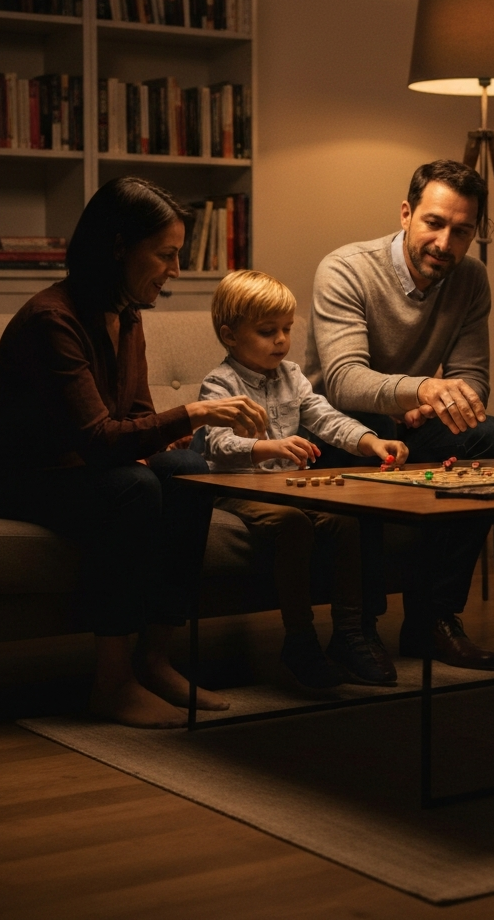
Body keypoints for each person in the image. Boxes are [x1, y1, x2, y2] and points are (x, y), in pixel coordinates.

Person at [0, 177, 269, 729]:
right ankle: (111, 684)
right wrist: (190, 414)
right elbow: (97, 438)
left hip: (70, 466)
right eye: (165, 254)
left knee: (186, 469)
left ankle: (156, 658)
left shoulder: (126, 311)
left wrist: (167, 439)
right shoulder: (53, 319)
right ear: (119, 247)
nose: (176, 270)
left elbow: (133, 414)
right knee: (133, 488)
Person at [306, 159, 494, 670]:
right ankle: (357, 629)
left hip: (412, 423)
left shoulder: (471, 278)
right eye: (434, 223)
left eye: (462, 231)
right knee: (376, 427)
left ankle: (434, 620)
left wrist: (441, 403)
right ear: (406, 213)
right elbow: (343, 380)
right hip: (335, 430)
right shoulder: (345, 269)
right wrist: (419, 390)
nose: (446, 243)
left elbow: (473, 379)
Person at [191, 269, 408, 689]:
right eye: (267, 331)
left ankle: (348, 634)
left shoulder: (292, 376)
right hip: (238, 488)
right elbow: (214, 444)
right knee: (291, 526)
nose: (281, 340)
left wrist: (370, 441)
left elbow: (324, 418)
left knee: (346, 520)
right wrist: (265, 447)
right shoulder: (220, 383)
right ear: (230, 335)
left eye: (287, 330)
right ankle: (300, 640)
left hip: (287, 486)